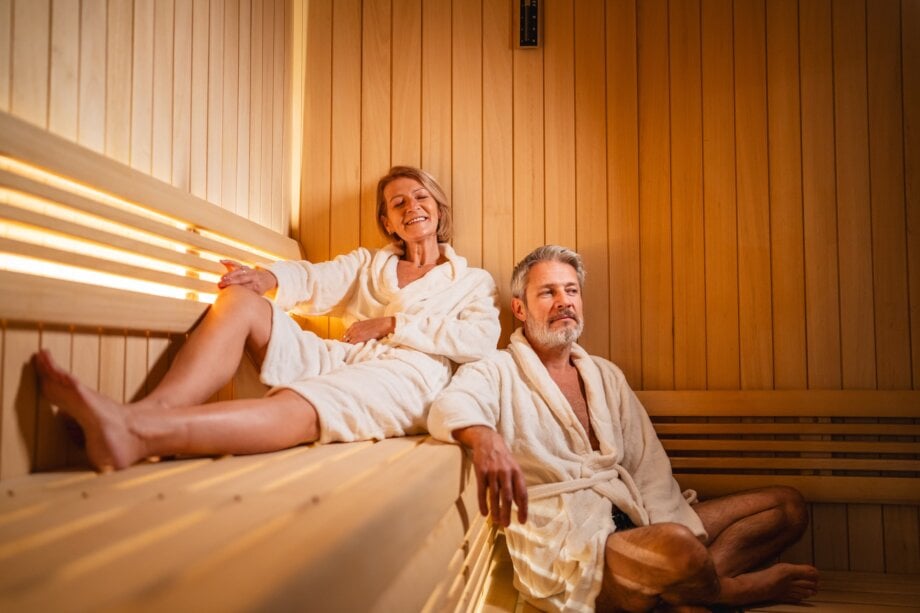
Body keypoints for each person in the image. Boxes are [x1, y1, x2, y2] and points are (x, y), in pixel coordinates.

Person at [428, 245, 818, 612]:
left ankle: (689, 587)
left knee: (787, 507)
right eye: (547, 292)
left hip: (633, 516)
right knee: (678, 548)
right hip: (570, 541)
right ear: (520, 308)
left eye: (571, 290)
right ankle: (732, 591)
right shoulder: (496, 369)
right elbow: (450, 406)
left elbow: (648, 467)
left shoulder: (605, 375)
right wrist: (485, 439)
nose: (564, 301)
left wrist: (665, 525)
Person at [35, 166, 501, 472]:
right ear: (388, 223)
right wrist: (266, 278)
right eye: (398, 203)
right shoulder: (368, 264)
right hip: (344, 355)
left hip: (408, 377)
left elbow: (481, 339)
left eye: (420, 197)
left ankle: (137, 434)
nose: (411, 207)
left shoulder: (471, 281)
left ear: (438, 209)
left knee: (312, 400)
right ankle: (146, 414)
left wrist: (393, 325)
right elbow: (317, 278)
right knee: (239, 300)